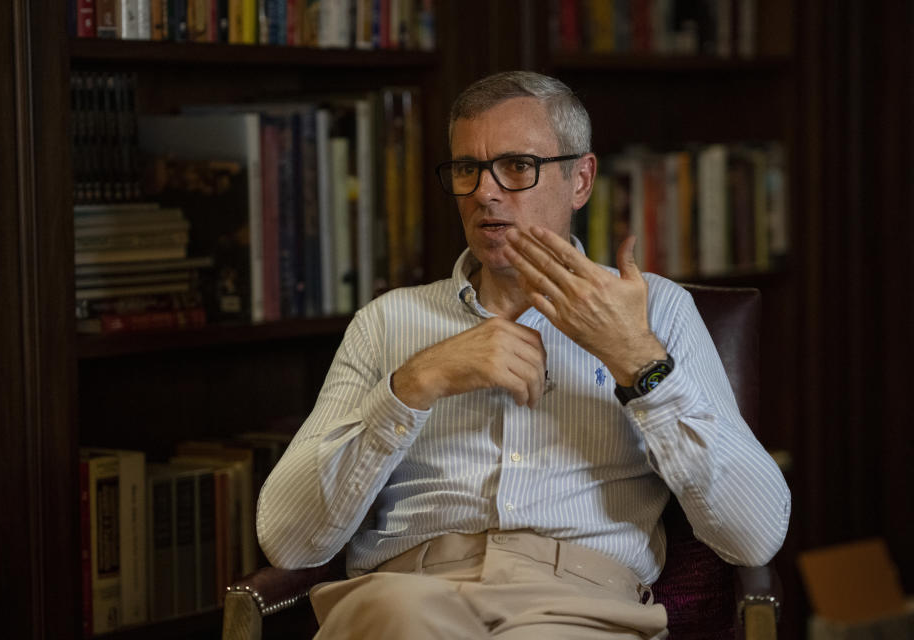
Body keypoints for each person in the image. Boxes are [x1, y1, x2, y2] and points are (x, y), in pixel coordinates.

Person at [256, 70, 790, 639]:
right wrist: (415, 382)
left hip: (575, 605)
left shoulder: (659, 312)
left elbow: (753, 533)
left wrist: (638, 363)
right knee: (396, 617)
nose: (486, 192)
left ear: (580, 180)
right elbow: (289, 539)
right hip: (408, 596)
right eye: (467, 169)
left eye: (517, 167)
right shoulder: (387, 321)